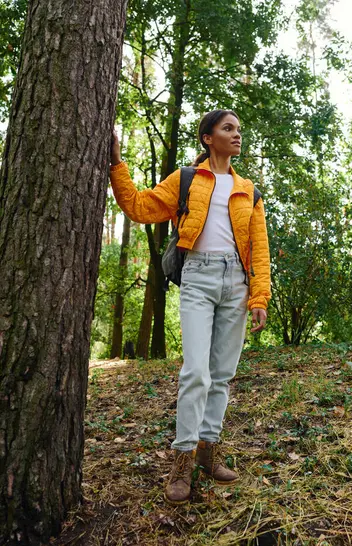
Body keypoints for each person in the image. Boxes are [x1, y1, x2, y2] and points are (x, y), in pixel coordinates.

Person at [109, 109, 271, 505]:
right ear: (207, 138)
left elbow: (260, 248)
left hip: (236, 281)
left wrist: (259, 296)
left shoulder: (248, 190)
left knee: (221, 375)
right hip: (197, 277)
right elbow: (139, 207)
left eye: (238, 129)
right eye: (227, 128)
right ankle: (181, 460)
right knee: (196, 371)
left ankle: (207, 451)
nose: (236, 135)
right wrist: (116, 164)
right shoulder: (185, 180)